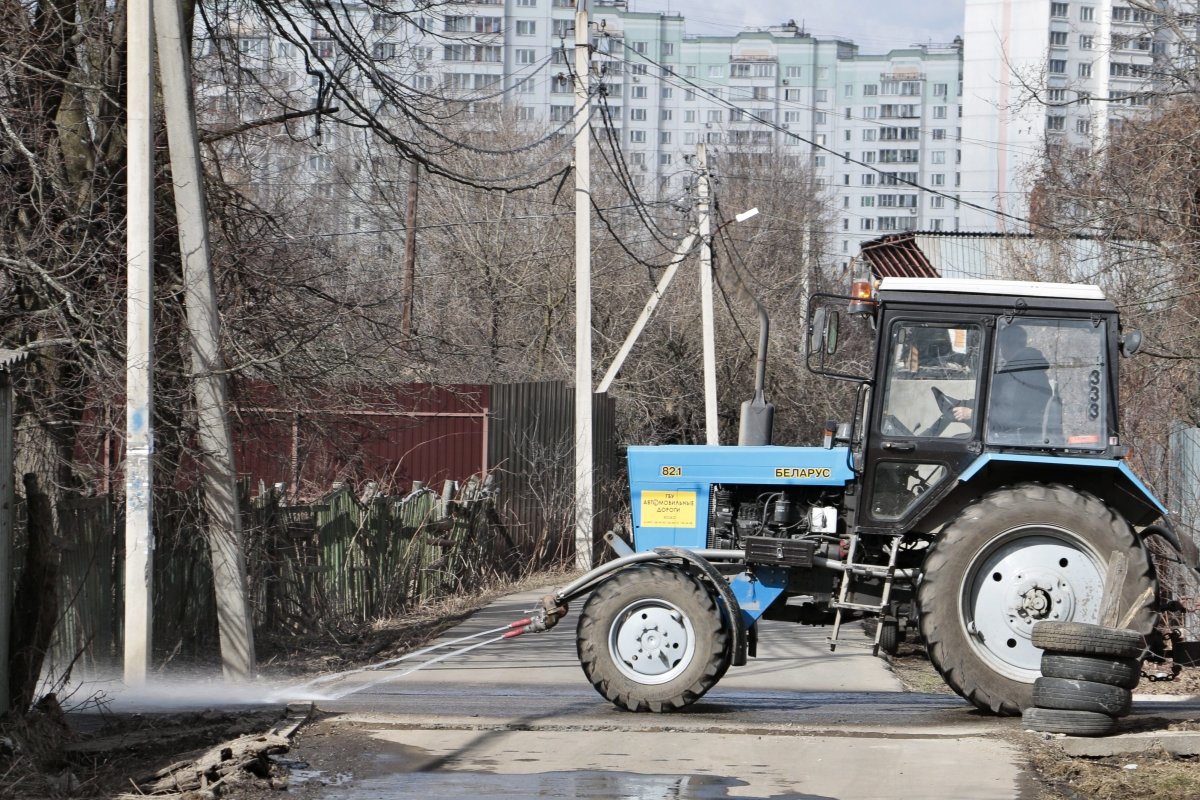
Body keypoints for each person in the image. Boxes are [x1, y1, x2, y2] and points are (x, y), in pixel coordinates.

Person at [952, 324, 1052, 439]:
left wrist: (972, 414)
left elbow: (1008, 416)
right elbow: (995, 400)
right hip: (1018, 433)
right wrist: (964, 404)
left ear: (1006, 345)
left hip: (1015, 437)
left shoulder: (1018, 374)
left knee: (956, 441)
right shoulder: (1025, 368)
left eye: (1000, 346)